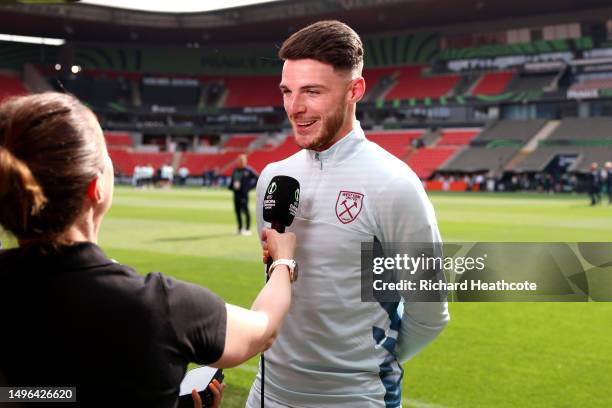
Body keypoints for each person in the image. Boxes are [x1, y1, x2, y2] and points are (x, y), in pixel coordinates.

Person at [0, 92, 297, 407]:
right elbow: (263, 329)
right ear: (96, 188)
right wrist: (283, 260)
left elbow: (42, 396)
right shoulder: (160, 306)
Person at [248, 21, 449, 408]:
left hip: (355, 398)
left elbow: (430, 313)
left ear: (354, 90)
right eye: (287, 91)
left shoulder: (394, 184)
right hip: (267, 392)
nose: (295, 107)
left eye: (312, 91)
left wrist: (364, 366)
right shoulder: (273, 178)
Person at [229, 154, 258, 235]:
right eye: (238, 160)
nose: (240, 162)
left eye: (241, 160)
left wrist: (249, 187)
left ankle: (248, 229)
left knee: (245, 211)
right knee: (237, 211)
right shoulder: (235, 170)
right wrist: (231, 186)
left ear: (245, 161)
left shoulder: (248, 170)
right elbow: (233, 180)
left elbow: (257, 178)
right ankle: (240, 228)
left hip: (244, 194)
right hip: (236, 193)